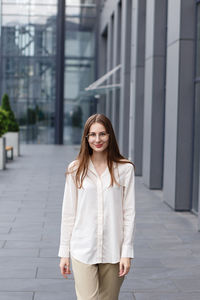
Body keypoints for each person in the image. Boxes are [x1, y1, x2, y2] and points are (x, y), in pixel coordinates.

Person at [58, 113, 136, 300]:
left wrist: (127, 253)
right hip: (82, 249)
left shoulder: (125, 169)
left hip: (113, 250)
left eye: (102, 134)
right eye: (92, 135)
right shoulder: (75, 169)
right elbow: (68, 213)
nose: (97, 139)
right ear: (86, 138)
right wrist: (64, 253)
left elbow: (129, 213)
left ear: (110, 135)